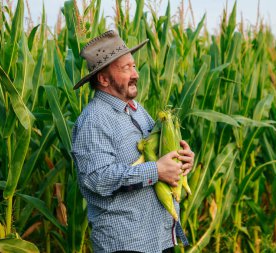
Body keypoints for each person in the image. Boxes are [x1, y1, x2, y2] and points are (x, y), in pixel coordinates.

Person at [71, 30, 195, 253]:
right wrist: (156, 171)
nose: (135, 74)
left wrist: (181, 161)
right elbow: (97, 179)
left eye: (134, 66)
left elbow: (157, 153)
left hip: (159, 239)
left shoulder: (137, 111)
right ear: (103, 78)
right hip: (125, 243)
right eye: (126, 68)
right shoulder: (95, 119)